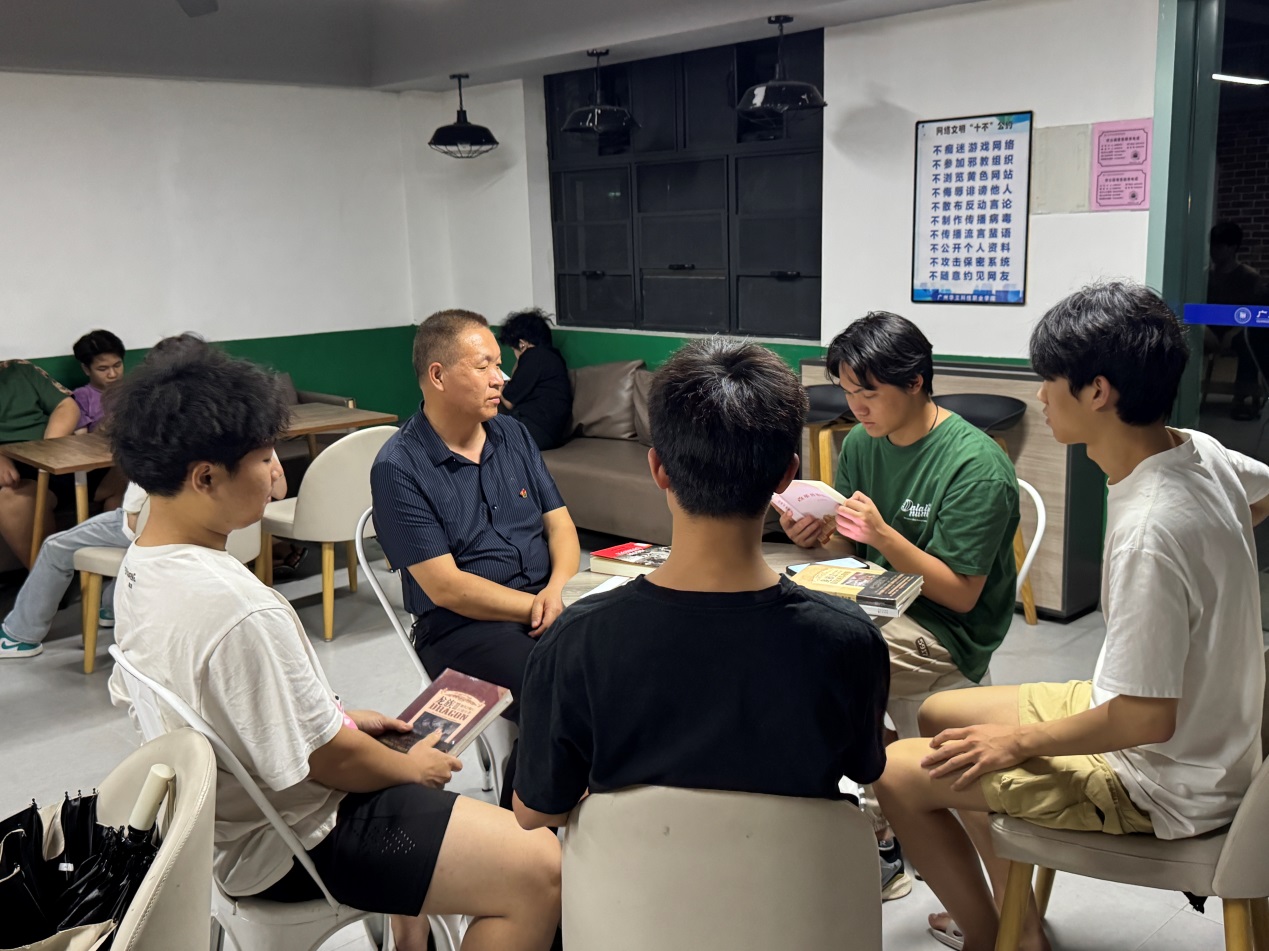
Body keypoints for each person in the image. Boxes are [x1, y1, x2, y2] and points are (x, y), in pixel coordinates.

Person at [107, 346, 561, 951]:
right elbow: (328, 762)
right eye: (264, 458)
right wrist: (408, 768)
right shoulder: (239, 608)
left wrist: (340, 718)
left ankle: (412, 934)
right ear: (205, 478)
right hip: (301, 840)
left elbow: (256, 715)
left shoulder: (141, 565)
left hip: (233, 826)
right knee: (541, 866)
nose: (277, 474)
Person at [876, 283, 1269, 951]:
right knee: (941, 714)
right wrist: (1210, 562)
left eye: (1048, 380)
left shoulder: (1151, 530)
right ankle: (1017, 917)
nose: (1039, 396)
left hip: (1161, 780)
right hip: (1203, 737)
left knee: (895, 773)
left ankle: (993, 937)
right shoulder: (1197, 451)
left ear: (1097, 392)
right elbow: (1260, 492)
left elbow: (1145, 720)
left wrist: (1018, 744)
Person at [511, 339, 889, 832]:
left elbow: (535, 812)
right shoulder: (850, 639)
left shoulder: (575, 641)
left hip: (634, 881)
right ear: (787, 476)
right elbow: (861, 768)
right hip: (792, 879)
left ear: (658, 469)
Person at [371, 309, 580, 808]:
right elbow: (447, 587)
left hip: (543, 603)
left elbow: (561, 526)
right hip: (461, 627)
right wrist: (539, 608)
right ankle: (522, 825)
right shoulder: (399, 466)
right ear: (438, 376)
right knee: (558, 688)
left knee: (622, 659)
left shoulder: (513, 435)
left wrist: (555, 592)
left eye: (498, 364)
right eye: (484, 365)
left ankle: (585, 807)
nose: (500, 378)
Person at [0, 360, 80, 568]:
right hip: (13, 467)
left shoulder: (20, 369)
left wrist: (47, 450)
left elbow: (66, 406)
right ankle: (48, 580)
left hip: (51, 454)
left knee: (133, 470)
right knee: (14, 498)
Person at [1206, 222, 1267, 420]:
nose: (1214, 251)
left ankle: (1243, 398)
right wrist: (1204, 329)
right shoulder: (1205, 277)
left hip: (1238, 331)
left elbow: (1255, 313)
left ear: (1232, 248)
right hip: (1208, 330)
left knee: (1250, 343)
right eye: (1213, 245)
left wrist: (1233, 333)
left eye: (1219, 246)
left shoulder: (1249, 277)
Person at [496, 309, 572, 451]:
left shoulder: (533, 356)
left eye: (514, 349)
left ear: (522, 344)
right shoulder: (553, 358)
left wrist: (497, 383)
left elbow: (509, 400)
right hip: (550, 433)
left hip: (534, 428)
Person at [70, 330, 126, 434]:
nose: (113, 374)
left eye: (117, 365)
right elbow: (81, 438)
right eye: (103, 369)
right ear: (86, 369)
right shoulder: (81, 397)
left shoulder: (135, 389)